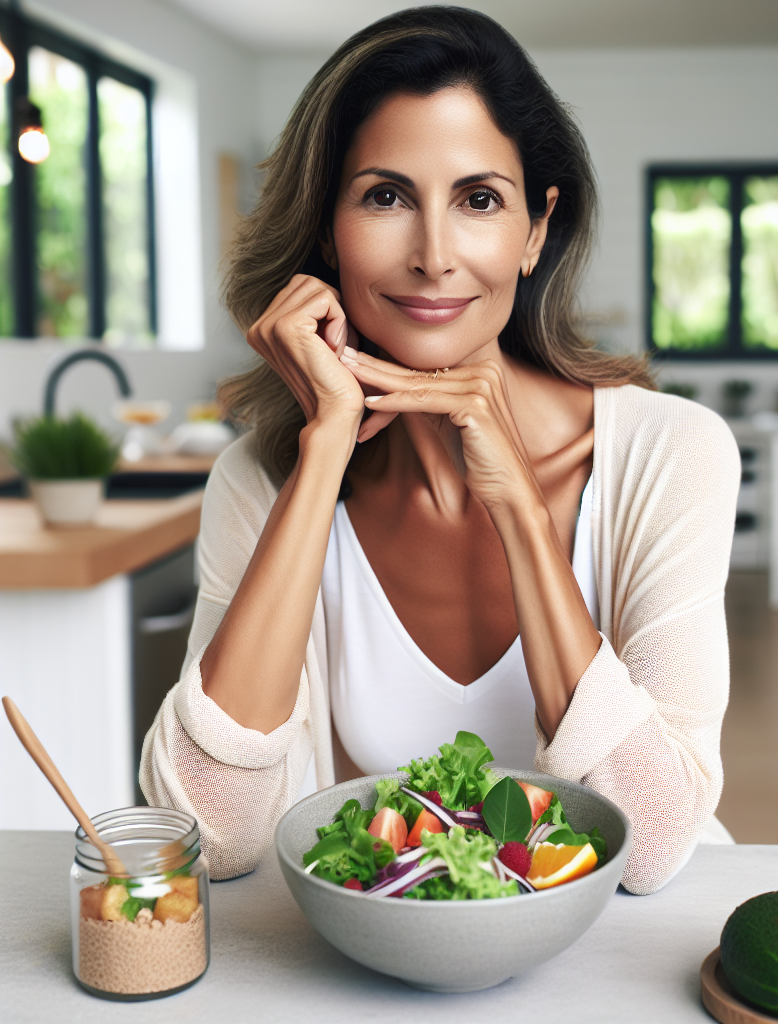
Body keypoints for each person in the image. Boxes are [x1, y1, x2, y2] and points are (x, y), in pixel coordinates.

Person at [141, 6, 739, 895]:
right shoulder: (260, 481)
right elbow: (212, 837)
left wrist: (523, 517)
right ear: (325, 233)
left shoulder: (673, 451)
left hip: (639, 948)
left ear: (535, 230)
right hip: (396, 955)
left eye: (479, 200)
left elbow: (648, 851)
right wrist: (320, 460)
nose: (432, 256)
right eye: (385, 196)